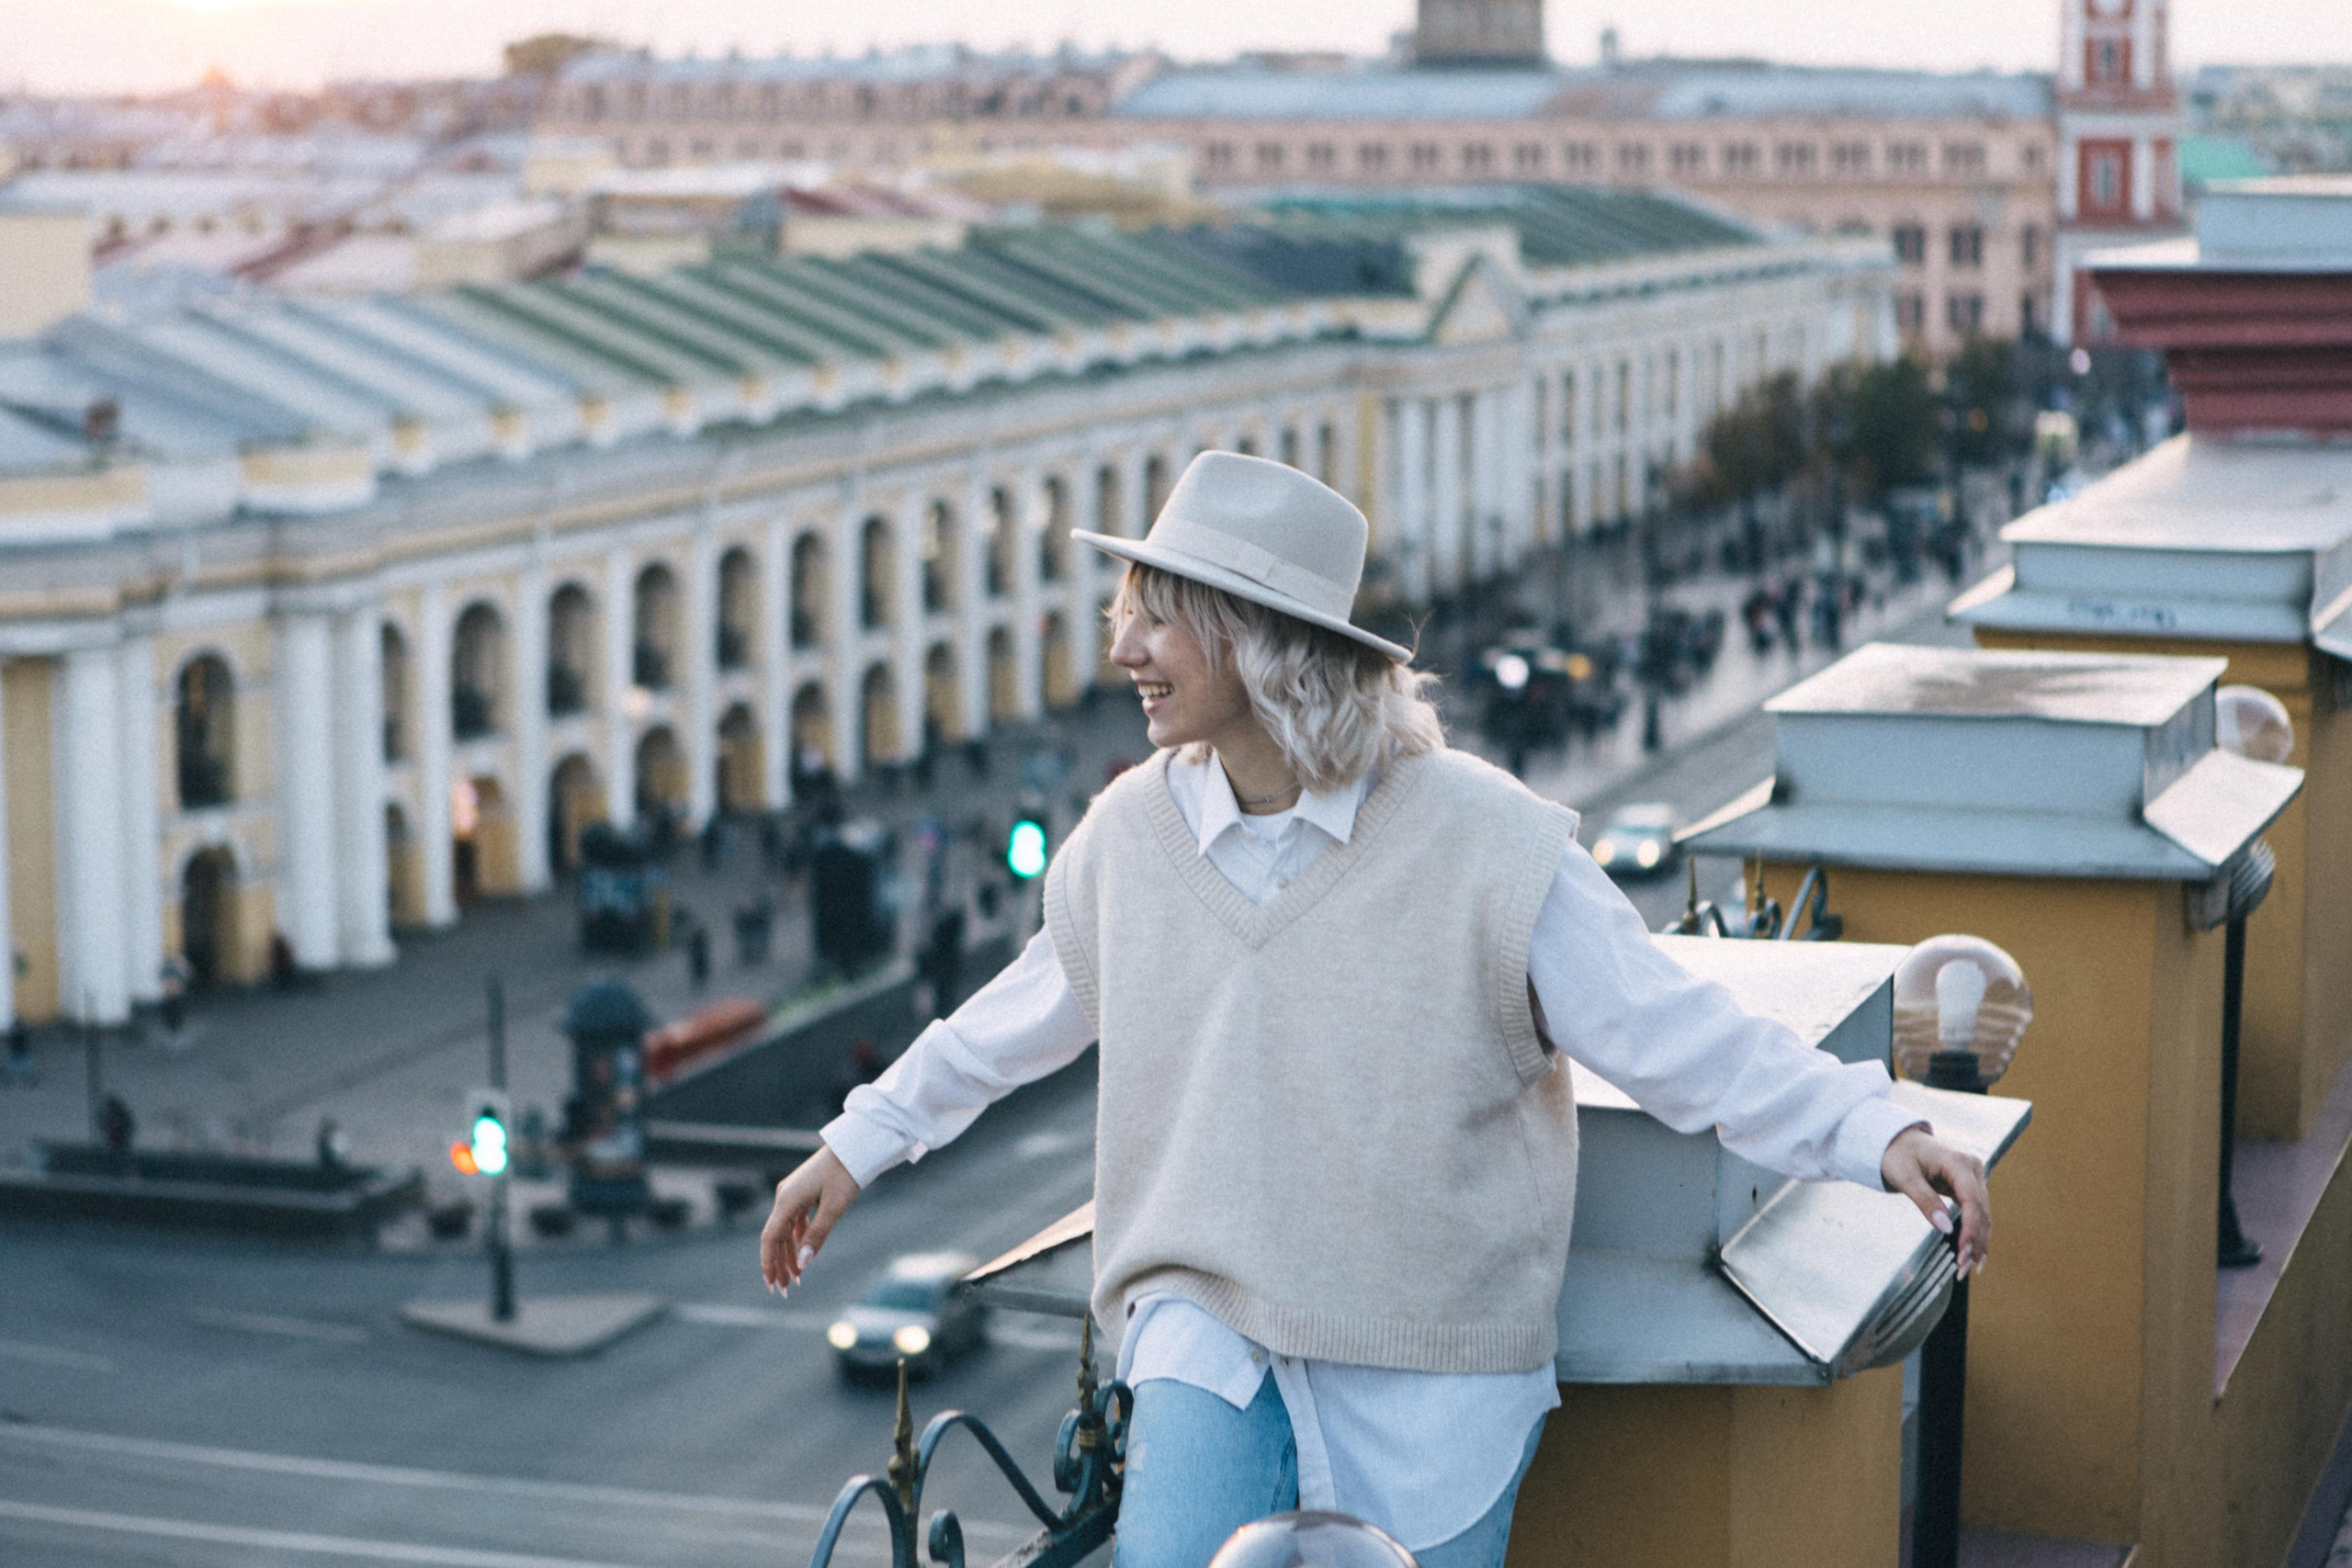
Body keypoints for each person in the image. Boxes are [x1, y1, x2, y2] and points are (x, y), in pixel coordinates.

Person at [760, 453, 1990, 1568]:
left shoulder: (1489, 842)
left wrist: (1871, 1131)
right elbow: (1006, 1023)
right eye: (1127, 612)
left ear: (1259, 638)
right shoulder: (1127, 839)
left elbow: (1671, 1035)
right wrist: (856, 1145)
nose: (1125, 649)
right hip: (1209, 1329)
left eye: (1159, 617)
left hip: (1432, 1363)